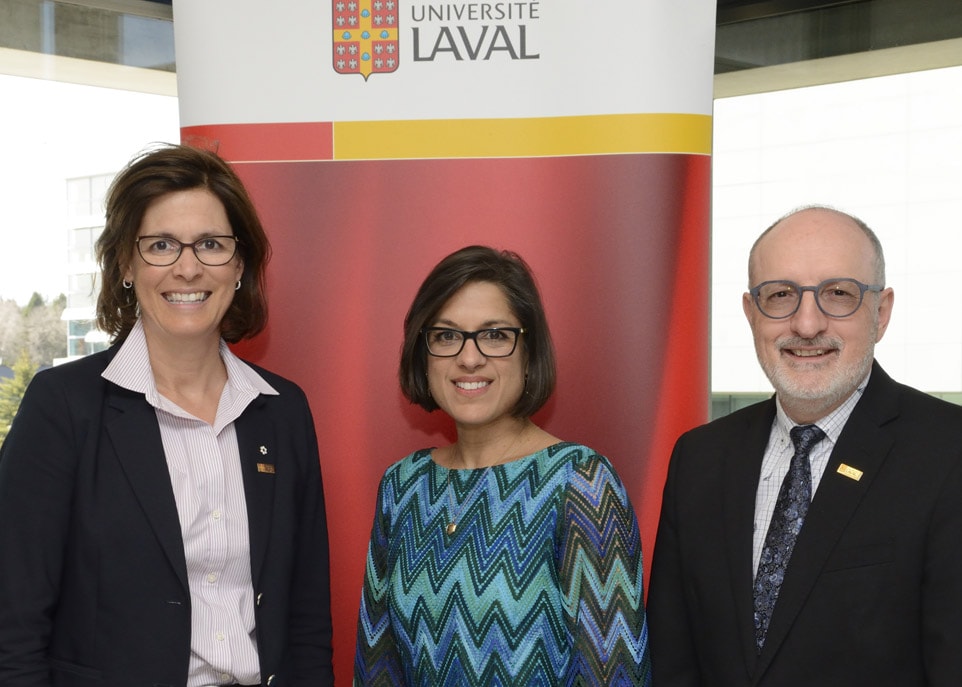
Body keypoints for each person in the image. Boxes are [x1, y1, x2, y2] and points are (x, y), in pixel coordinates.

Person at [0, 144, 334, 687]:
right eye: (160, 245)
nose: (187, 267)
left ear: (239, 263)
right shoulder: (63, 406)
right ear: (127, 265)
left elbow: (305, 619)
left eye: (210, 244)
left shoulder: (283, 410)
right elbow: (13, 622)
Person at [647, 205, 962, 686]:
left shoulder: (947, 452)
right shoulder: (700, 458)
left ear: (881, 313)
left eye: (839, 294)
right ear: (752, 314)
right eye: (780, 295)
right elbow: (674, 658)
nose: (808, 324)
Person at [353, 245, 651, 685]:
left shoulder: (580, 482)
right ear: (424, 352)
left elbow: (616, 676)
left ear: (529, 353)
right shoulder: (404, 484)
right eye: (446, 335)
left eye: (495, 335)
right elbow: (376, 665)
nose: (469, 358)